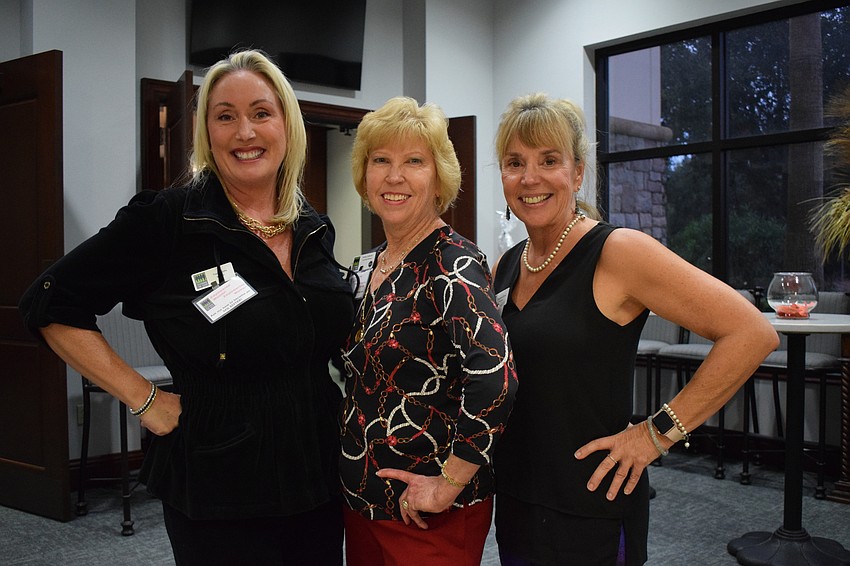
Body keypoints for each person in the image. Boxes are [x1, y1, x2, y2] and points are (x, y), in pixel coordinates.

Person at [18, 49, 354, 565]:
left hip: (317, 474)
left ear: (287, 126)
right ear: (206, 131)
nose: (245, 132)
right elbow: (50, 303)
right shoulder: (170, 221)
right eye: (225, 116)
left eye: (261, 113)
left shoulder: (312, 226)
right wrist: (144, 399)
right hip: (220, 482)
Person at [490, 93, 779, 566]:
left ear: (577, 172)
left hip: (591, 506)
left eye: (549, 160)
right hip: (518, 501)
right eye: (514, 162)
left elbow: (751, 333)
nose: (530, 178)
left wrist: (656, 434)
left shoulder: (617, 251)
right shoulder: (506, 266)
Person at [339, 96, 518, 566]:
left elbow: (496, 377)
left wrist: (449, 483)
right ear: (364, 175)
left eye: (414, 162)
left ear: (439, 178)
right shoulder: (366, 265)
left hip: (430, 513)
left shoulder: (452, 263)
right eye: (381, 160)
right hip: (365, 501)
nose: (394, 177)